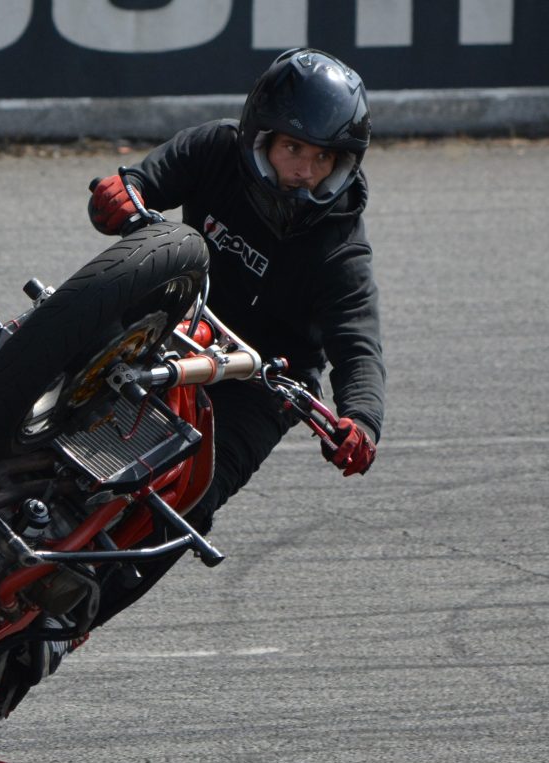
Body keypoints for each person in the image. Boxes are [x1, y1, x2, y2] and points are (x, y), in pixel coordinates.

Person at [84, 47, 386, 629]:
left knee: (190, 499)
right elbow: (144, 181)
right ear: (260, 136)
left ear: (342, 162)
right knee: (56, 350)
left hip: (262, 379)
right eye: (293, 147)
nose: (305, 169)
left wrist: (363, 419)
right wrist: (123, 192)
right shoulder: (214, 147)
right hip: (170, 321)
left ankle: (68, 624)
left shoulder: (341, 244)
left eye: (323, 156)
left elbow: (358, 340)